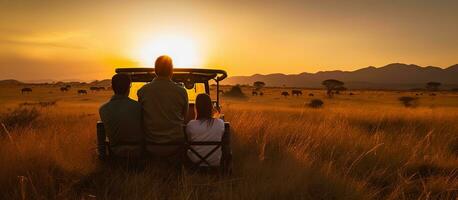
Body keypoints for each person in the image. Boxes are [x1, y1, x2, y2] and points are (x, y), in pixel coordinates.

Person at [137, 55, 189, 158]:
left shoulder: (143, 91)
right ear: (171, 71)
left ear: (155, 70)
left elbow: (140, 117)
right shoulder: (182, 92)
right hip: (176, 145)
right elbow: (185, 117)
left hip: (151, 145)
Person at [99, 74, 144, 159]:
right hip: (137, 151)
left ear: (112, 87)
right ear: (129, 87)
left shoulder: (103, 109)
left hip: (115, 152)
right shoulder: (138, 107)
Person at [186, 93, 225, 166]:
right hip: (215, 161)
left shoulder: (191, 124)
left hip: (195, 161)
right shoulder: (220, 123)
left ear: (197, 108)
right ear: (210, 107)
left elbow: (189, 140)